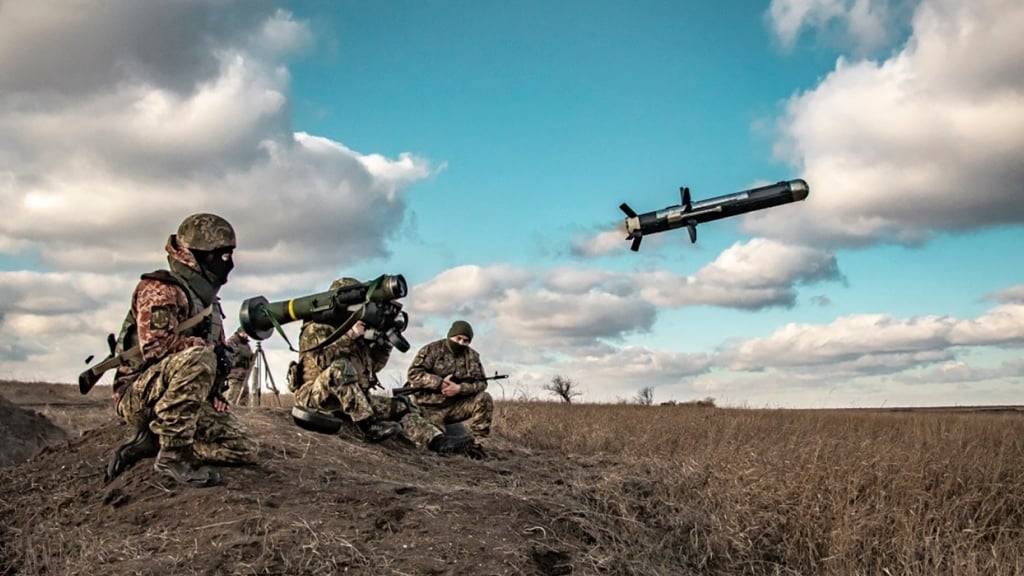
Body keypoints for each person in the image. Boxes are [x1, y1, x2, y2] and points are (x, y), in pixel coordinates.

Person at [107, 213, 257, 486]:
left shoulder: (209, 303)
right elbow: (156, 347)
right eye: (222, 256)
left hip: (178, 395)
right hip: (139, 396)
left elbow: (213, 353)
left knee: (243, 448)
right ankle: (173, 455)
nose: (229, 263)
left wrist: (214, 391)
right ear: (198, 255)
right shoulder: (160, 289)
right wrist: (207, 352)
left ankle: (153, 441)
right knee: (199, 357)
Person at [291, 278, 475, 455]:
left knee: (403, 406)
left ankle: (438, 442)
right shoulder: (317, 327)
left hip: (351, 400)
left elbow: (373, 368)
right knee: (340, 366)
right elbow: (322, 360)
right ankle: (369, 426)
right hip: (316, 397)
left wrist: (384, 345)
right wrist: (351, 336)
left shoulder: (358, 330)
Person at [406, 320, 493, 445]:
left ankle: (478, 442)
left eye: (466, 341)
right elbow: (413, 374)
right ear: (450, 336)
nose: (461, 343)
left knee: (484, 398)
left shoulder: (472, 356)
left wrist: (460, 388)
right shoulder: (432, 349)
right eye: (458, 338)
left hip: (455, 407)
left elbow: (482, 383)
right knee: (435, 441)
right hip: (429, 408)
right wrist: (439, 383)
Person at [223, 328, 255, 406]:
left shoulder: (246, 344)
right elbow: (228, 357)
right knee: (232, 398)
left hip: (244, 376)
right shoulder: (232, 341)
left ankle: (243, 412)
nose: (246, 335)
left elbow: (249, 357)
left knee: (244, 399)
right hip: (234, 375)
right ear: (240, 332)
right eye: (245, 333)